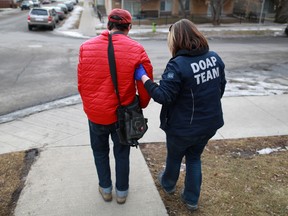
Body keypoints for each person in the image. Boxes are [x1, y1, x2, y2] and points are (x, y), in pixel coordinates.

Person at [134, 19, 226, 211]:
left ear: (176, 40)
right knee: (194, 158)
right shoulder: (214, 58)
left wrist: (144, 78)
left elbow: (163, 96)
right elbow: (220, 88)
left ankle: (167, 184)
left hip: (183, 127)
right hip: (209, 123)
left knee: (175, 157)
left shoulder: (177, 65)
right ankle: (191, 199)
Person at [77, 8, 153, 204]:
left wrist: (90, 107)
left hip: (96, 114)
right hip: (124, 114)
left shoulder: (86, 47)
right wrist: (140, 105)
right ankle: (121, 192)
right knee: (122, 153)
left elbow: (81, 84)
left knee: (100, 151)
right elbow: (145, 85)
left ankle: (106, 188)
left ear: (108, 25)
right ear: (128, 27)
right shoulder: (136, 49)